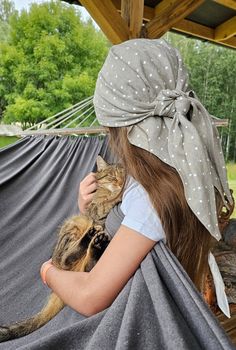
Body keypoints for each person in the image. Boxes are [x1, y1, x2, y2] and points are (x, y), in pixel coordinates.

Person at [40, 38, 234, 318]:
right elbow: (125, 238)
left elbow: (90, 296)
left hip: (136, 317)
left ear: (121, 124)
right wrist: (89, 210)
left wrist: (46, 271)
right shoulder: (173, 175)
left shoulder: (152, 195)